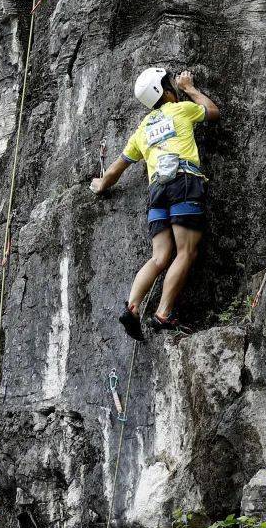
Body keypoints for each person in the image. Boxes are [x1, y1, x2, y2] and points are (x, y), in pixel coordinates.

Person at [90, 66, 220, 338]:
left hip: (157, 189)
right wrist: (191, 89)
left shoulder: (142, 130)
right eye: (170, 83)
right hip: (183, 181)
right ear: (166, 90)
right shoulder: (180, 109)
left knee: (160, 257)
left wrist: (101, 184)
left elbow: (116, 169)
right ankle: (163, 313)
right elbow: (212, 111)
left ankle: (133, 307)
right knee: (185, 252)